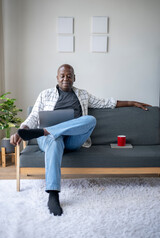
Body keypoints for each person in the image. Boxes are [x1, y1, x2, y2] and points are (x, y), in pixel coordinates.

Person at [10, 64, 151, 216]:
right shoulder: (45, 94)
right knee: (54, 139)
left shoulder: (83, 95)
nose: (66, 78)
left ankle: (45, 130)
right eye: (62, 76)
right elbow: (34, 116)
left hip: (72, 140)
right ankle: (53, 194)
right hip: (50, 140)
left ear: (74, 78)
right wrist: (22, 130)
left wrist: (132, 103)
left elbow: (106, 103)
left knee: (90, 119)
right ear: (57, 78)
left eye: (69, 75)